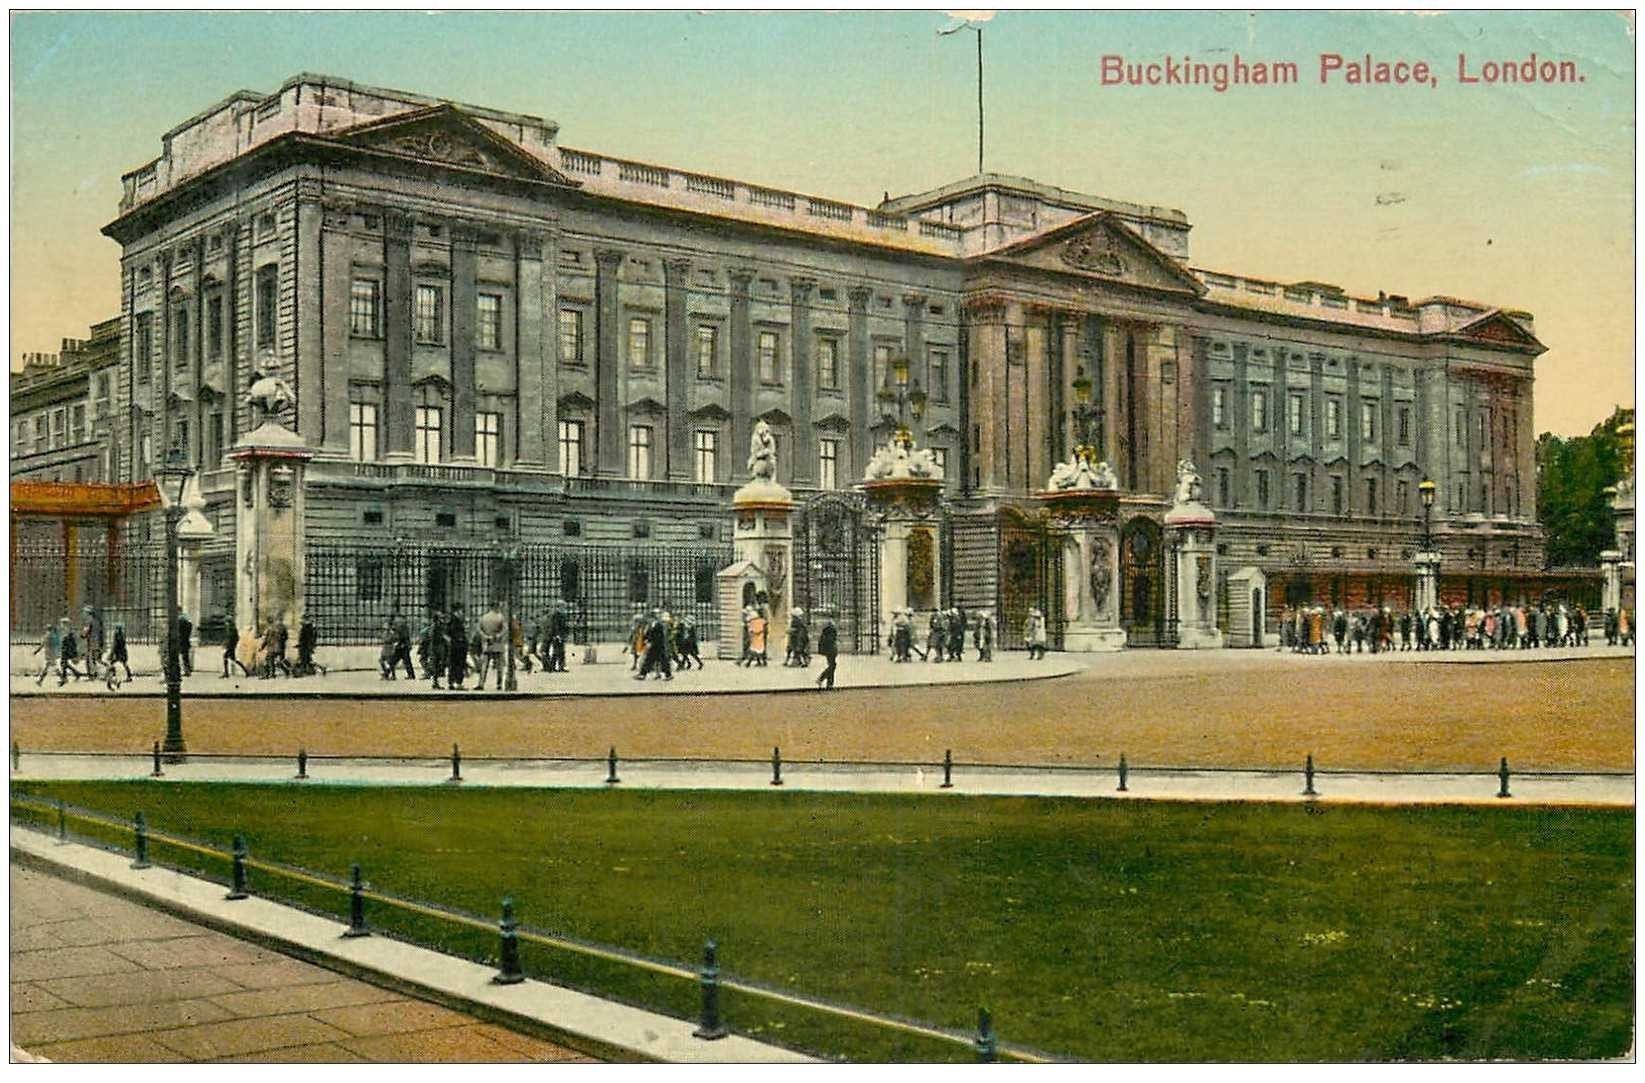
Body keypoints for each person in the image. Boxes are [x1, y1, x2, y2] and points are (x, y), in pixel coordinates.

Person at [477, 602, 508, 690]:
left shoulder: (484, 617)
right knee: (499, 666)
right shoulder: (500, 617)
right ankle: (499, 684)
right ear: (497, 607)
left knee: (484, 665)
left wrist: (486, 636)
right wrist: (498, 636)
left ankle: (481, 683)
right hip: (497, 643)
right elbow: (505, 629)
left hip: (487, 644)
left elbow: (479, 629)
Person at [445, 604, 468, 689]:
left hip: (455, 645)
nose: (462, 613)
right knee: (459, 664)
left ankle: (451, 682)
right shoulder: (455, 621)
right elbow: (448, 633)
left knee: (453, 664)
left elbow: (446, 634)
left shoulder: (452, 620)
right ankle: (458, 683)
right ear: (457, 611)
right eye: (461, 611)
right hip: (458, 645)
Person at [32, 621, 61, 686]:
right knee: (50, 667)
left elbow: (42, 644)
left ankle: (40, 681)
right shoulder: (54, 635)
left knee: (49, 667)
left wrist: (36, 651)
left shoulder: (47, 635)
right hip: (52, 653)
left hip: (49, 654)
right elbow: (57, 644)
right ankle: (40, 681)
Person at [816, 615, 839, 690]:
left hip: (828, 650)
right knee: (832, 666)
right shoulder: (832, 630)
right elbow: (831, 640)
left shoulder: (826, 630)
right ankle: (822, 678)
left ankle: (829, 684)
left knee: (832, 665)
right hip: (831, 650)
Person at [81, 606, 103, 682]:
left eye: (84, 613)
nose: (83, 614)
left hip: (91, 643)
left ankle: (92, 675)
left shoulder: (89, 621)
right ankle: (95, 674)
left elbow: (84, 633)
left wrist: (82, 635)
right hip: (97, 643)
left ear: (88, 613)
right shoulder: (97, 621)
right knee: (95, 659)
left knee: (89, 660)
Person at [57, 618, 82, 685]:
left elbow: (70, 642)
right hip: (65, 648)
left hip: (67, 649)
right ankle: (76, 674)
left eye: (63, 623)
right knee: (64, 663)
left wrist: (72, 652)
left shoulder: (68, 631)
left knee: (63, 663)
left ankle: (65, 678)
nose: (61, 624)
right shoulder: (65, 630)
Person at [176, 610, 194, 676]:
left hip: (180, 640)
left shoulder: (179, 620)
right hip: (185, 640)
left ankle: (180, 670)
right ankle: (187, 670)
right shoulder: (187, 619)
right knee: (185, 657)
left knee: (177, 656)